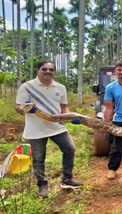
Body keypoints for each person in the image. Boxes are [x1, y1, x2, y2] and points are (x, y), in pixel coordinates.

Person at [15, 60, 83, 198]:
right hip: (36, 129)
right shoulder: (27, 87)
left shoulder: (60, 87)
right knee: (39, 158)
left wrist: (70, 116)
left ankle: (67, 179)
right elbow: (18, 107)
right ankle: (42, 185)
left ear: (54, 72)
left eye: (51, 70)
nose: (48, 72)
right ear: (38, 70)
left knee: (69, 149)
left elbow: (64, 108)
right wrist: (26, 108)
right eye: (44, 69)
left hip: (57, 127)